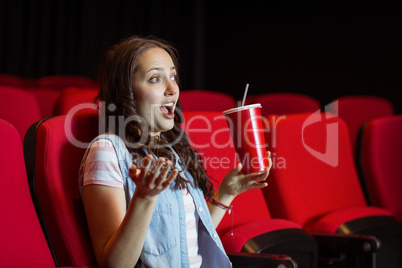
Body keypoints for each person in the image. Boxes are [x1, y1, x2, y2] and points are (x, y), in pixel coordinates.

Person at [78, 35, 272, 268]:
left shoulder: (172, 149)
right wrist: (144, 198)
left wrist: (226, 194)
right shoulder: (107, 151)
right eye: (155, 79)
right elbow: (115, 264)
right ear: (125, 92)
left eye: (173, 77)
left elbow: (186, 240)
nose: (172, 89)